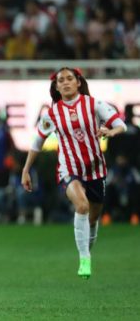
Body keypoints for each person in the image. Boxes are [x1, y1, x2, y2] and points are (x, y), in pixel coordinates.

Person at [21, 67, 127, 279]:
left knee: (93, 218)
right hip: (69, 169)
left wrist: (111, 131)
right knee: (82, 205)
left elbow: (120, 125)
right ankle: (84, 259)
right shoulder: (52, 113)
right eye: (61, 80)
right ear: (57, 86)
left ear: (78, 82)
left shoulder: (94, 104)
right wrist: (26, 170)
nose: (66, 82)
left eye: (70, 79)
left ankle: (87, 252)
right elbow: (37, 143)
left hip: (96, 170)